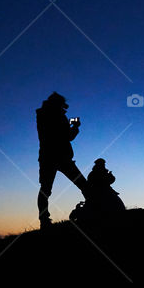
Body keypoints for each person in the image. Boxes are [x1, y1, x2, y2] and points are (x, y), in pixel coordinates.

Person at [37, 92, 87, 229]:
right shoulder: (56, 116)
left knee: (45, 190)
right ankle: (93, 211)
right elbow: (67, 136)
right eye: (62, 104)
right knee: (83, 185)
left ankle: (44, 220)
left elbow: (63, 135)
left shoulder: (43, 114)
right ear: (57, 103)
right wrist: (75, 127)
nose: (64, 107)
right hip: (60, 158)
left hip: (48, 158)